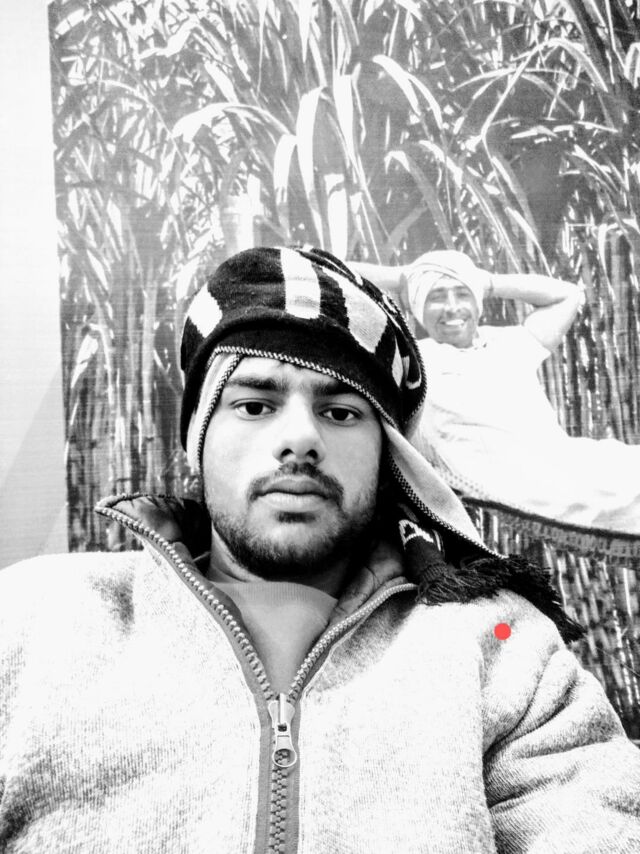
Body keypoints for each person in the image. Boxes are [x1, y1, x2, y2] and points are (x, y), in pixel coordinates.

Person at [1, 246, 639, 854]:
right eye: (255, 405)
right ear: (197, 436)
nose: (301, 438)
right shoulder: (36, 618)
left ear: (389, 454)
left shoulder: (500, 644)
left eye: (340, 412)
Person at [352, 250, 640, 533]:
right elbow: (331, 272)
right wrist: (405, 277)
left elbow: (567, 295)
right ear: (418, 306)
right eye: (436, 297)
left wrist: (488, 282)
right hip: (511, 483)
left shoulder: (508, 344)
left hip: (561, 460)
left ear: (477, 301)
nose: (452, 308)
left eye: (462, 294)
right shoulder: (412, 359)